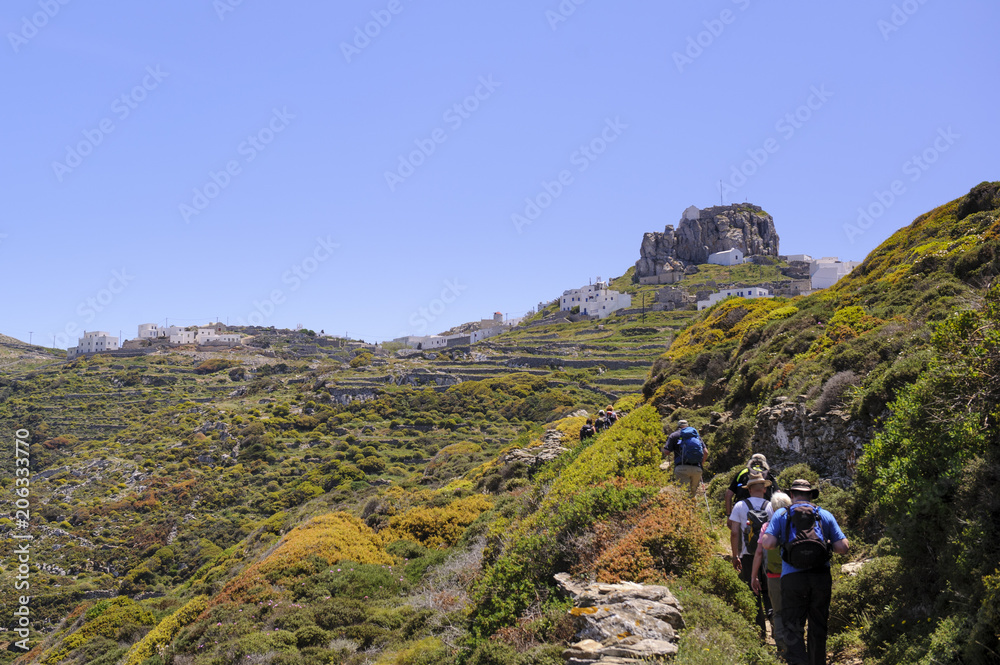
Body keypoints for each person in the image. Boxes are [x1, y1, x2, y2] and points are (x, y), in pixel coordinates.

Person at [761, 479, 849, 665]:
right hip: (820, 577)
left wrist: (783, 542)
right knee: (818, 625)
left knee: (793, 627)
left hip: (792, 579)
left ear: (792, 495)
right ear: (810, 495)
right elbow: (842, 547)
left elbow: (767, 543)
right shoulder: (823, 514)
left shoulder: (781, 514)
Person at [729, 472, 773, 639]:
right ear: (763, 489)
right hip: (767, 556)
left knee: (752, 593)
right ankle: (775, 625)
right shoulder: (770, 506)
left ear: (748, 490)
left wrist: (735, 556)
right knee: (768, 592)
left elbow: (734, 533)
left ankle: (760, 633)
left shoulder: (740, 506)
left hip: (747, 556)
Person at [752, 491, 793, 658]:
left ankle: (782, 649)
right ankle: (797, 648)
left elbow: (759, 553)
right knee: (794, 612)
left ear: (773, 507)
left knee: (778, 612)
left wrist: (754, 575)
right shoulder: (794, 525)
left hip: (774, 576)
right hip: (794, 576)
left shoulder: (766, 527)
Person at [725, 454, 779, 526]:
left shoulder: (743, 472)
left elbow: (728, 495)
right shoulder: (768, 474)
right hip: (765, 512)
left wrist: (729, 516)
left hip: (742, 510)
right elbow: (779, 494)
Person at [662, 419, 708, 496]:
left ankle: (686, 507)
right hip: (697, 469)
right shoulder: (696, 436)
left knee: (684, 495)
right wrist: (701, 464)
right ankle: (694, 507)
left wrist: (663, 449)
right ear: (687, 425)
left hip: (682, 468)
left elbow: (667, 452)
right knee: (693, 494)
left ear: (678, 426)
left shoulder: (674, 435)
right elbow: (705, 452)